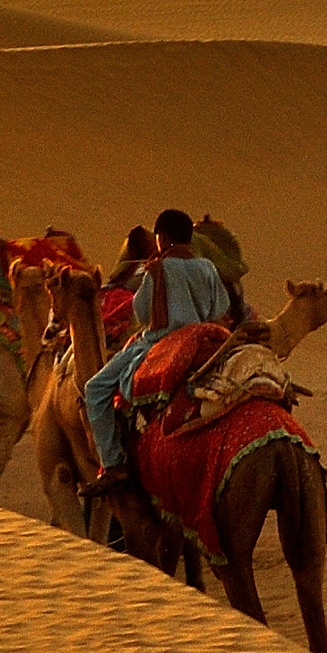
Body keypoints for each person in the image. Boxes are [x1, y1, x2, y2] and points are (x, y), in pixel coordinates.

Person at [83, 205, 235, 493]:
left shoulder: (157, 268)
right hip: (204, 339)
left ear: (162, 238)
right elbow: (221, 308)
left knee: (95, 388)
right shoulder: (208, 267)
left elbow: (141, 313)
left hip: (161, 342)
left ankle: (113, 463)